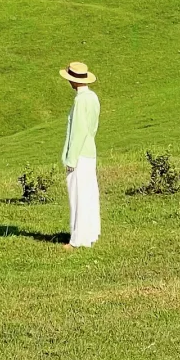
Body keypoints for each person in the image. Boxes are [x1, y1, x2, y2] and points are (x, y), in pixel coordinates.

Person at [60, 60, 100, 249]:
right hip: (90, 151)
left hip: (80, 154)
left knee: (78, 196)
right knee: (89, 193)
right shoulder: (93, 97)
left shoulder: (79, 100)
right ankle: (91, 233)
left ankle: (77, 240)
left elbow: (78, 131)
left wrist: (71, 158)